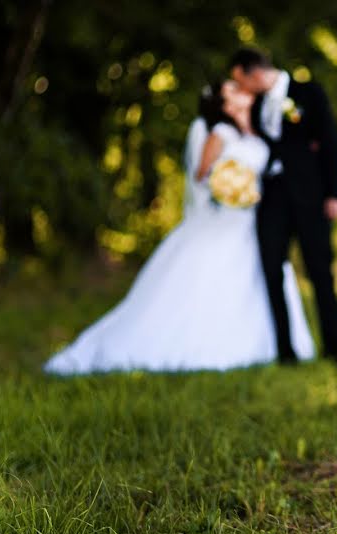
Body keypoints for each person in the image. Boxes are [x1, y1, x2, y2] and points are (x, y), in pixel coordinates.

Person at [44, 81, 315, 374]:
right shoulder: (219, 134)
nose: (240, 94)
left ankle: (268, 344)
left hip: (255, 223)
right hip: (226, 219)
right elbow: (202, 175)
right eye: (232, 93)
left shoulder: (261, 133)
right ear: (224, 105)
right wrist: (231, 186)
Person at [229, 48, 337, 373]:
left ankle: (336, 351)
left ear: (254, 73)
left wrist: (333, 192)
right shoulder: (253, 106)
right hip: (270, 200)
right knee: (272, 272)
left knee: (320, 275)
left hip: (311, 197)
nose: (240, 87)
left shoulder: (308, 93)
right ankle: (285, 352)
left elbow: (329, 142)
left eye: (240, 79)